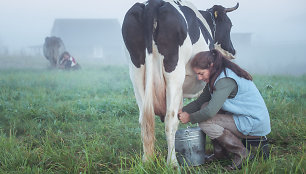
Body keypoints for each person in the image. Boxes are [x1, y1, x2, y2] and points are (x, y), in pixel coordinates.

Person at [178, 49, 271, 170]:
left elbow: (210, 112)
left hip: (253, 123)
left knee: (206, 121)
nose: (199, 78)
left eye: (201, 73)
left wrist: (190, 117)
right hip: (244, 118)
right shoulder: (217, 75)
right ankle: (220, 154)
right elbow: (200, 102)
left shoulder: (224, 80)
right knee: (204, 105)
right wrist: (180, 111)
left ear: (211, 66)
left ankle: (243, 154)